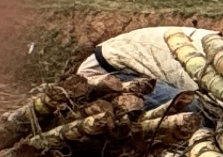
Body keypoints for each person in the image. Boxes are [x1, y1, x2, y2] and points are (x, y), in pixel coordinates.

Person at [76, 26, 211, 110]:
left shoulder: (216, 46)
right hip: (106, 73)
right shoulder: (204, 62)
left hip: (138, 65)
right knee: (194, 107)